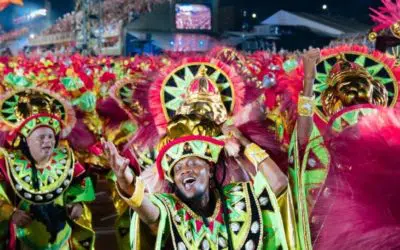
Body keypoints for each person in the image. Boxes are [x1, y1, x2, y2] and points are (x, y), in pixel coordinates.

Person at [0, 88, 95, 250]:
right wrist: (11, 213)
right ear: (25, 140)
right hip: (25, 242)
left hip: (62, 242)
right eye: (41, 137)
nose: (47, 141)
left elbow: (82, 185)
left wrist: (78, 204)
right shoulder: (7, 163)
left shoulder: (66, 159)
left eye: (50, 136)